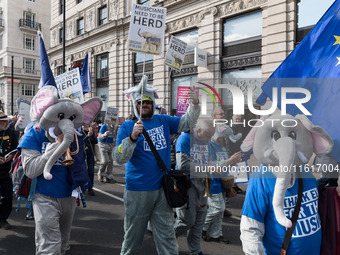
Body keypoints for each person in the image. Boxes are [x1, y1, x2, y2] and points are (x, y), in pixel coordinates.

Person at [114, 75, 200, 255]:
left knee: (167, 237)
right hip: (138, 191)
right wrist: (131, 138)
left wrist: (195, 105)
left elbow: (187, 122)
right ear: (135, 105)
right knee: (133, 238)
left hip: (163, 190)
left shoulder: (164, 120)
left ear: (153, 103)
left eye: (147, 101)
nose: (143, 105)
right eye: (139, 102)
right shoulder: (128, 126)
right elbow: (119, 158)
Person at [174, 119, 215, 255]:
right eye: (207, 135)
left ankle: (196, 251)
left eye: (211, 136)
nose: (209, 139)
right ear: (198, 130)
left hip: (202, 186)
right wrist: (206, 168)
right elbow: (183, 166)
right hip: (187, 186)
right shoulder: (185, 139)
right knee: (186, 222)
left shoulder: (207, 141)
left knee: (199, 223)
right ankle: (166, 239)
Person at [202, 124, 242, 244]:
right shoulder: (208, 146)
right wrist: (229, 160)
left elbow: (225, 165)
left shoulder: (223, 147)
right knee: (218, 209)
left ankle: (216, 234)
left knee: (219, 213)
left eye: (225, 137)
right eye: (221, 137)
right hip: (211, 182)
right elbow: (209, 165)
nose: (223, 139)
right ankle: (201, 228)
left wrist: (233, 162)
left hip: (222, 183)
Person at [0, 111, 18, 229]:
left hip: (6, 170)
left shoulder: (11, 132)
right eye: (4, 121)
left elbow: (16, 148)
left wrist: (12, 155)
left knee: (7, 195)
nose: (8, 122)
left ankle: (3, 219)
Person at [82, 124, 98, 196]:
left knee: (91, 171)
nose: (86, 127)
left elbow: (95, 141)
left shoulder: (91, 131)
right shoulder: (80, 132)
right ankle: (83, 187)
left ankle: (90, 187)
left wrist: (92, 135)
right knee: (83, 171)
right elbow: (81, 142)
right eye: (84, 126)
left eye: (87, 126)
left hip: (90, 154)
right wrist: (87, 136)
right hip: (82, 154)